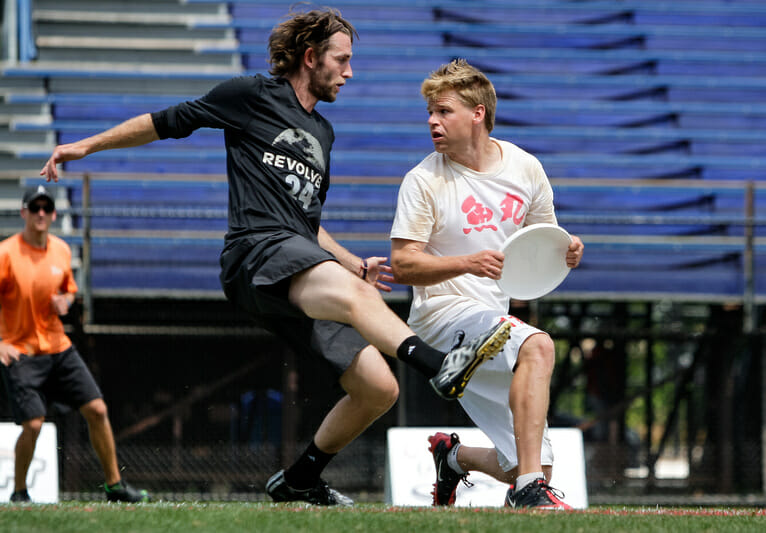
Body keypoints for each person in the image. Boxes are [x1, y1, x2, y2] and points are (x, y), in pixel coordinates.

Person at [39, 8, 511, 506]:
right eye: (342, 60)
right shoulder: (250, 96)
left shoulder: (323, 134)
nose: (350, 73)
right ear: (311, 58)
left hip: (299, 259)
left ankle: (301, 479)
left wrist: (353, 263)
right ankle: (439, 366)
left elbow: (306, 223)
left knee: (377, 387)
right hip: (255, 254)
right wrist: (84, 147)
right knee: (357, 305)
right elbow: (165, 122)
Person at [390, 59, 585, 510]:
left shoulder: (525, 166)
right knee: (539, 346)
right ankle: (529, 492)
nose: (432, 121)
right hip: (441, 318)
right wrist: (466, 263)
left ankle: (453, 457)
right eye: (430, 113)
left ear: (478, 113)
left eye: (443, 111)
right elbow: (402, 265)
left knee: (531, 462)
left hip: (493, 322)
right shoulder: (422, 180)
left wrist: (569, 250)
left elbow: (543, 241)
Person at [0, 186, 148, 504]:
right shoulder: (7, 253)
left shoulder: (61, 250)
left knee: (97, 409)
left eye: (46, 208)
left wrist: (65, 301)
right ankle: (19, 492)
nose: (41, 213)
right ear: (24, 212)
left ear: (54, 214)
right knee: (34, 424)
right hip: (22, 351)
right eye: (34, 207)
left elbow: (69, 289)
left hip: (58, 347)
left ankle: (115, 487)